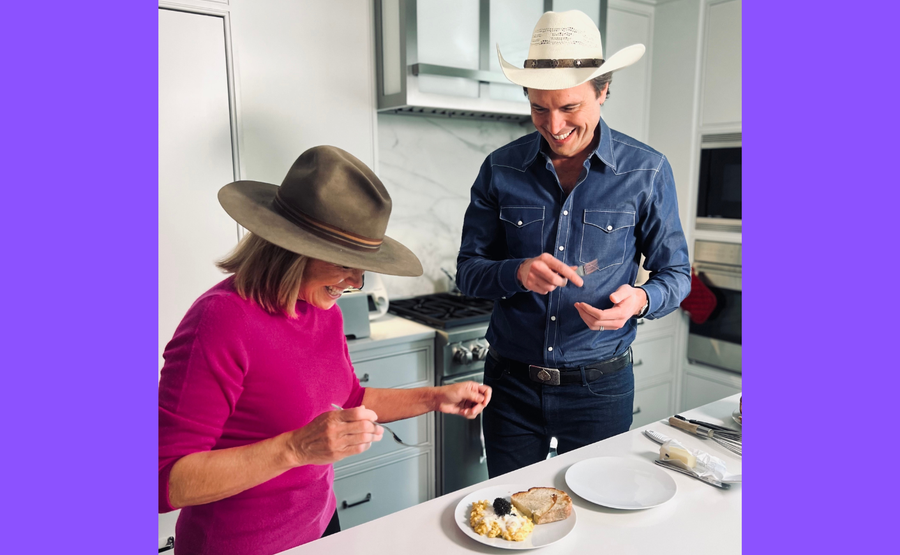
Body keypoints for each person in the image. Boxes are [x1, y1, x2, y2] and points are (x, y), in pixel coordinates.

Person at [158, 145, 492, 555]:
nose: (358, 279)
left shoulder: (324, 309)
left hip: (320, 527)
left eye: (363, 262)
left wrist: (435, 398)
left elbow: (349, 398)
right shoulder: (220, 320)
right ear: (291, 246)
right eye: (344, 261)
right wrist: (296, 447)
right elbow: (166, 479)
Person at [456, 10, 690, 478]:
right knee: (509, 518)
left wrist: (641, 299)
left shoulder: (646, 171)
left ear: (603, 91)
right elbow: (468, 272)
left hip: (599, 389)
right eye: (539, 108)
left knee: (599, 519)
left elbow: (677, 275)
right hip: (510, 386)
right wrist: (517, 272)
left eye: (569, 108)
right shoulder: (500, 169)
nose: (554, 124)